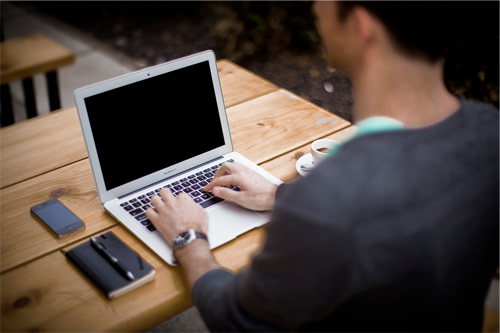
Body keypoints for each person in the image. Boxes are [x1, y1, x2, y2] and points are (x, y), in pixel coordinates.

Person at [146, 1, 499, 331]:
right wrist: (279, 194)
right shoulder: (489, 132)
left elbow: (234, 318)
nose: (315, 6)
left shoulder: (328, 201)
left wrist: (189, 238)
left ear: (362, 26)